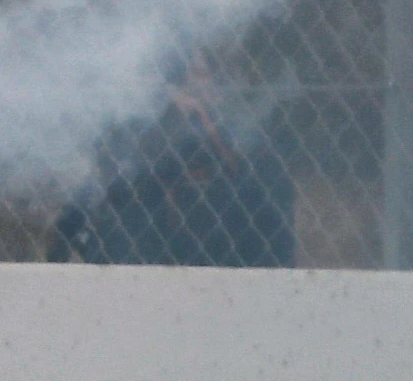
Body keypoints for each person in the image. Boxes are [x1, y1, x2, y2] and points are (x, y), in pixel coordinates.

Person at [51, 59, 293, 268]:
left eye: (200, 73)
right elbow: (134, 164)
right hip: (154, 236)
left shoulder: (233, 129)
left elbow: (240, 170)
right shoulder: (154, 119)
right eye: (188, 73)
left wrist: (203, 118)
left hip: (219, 238)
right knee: (88, 206)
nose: (191, 81)